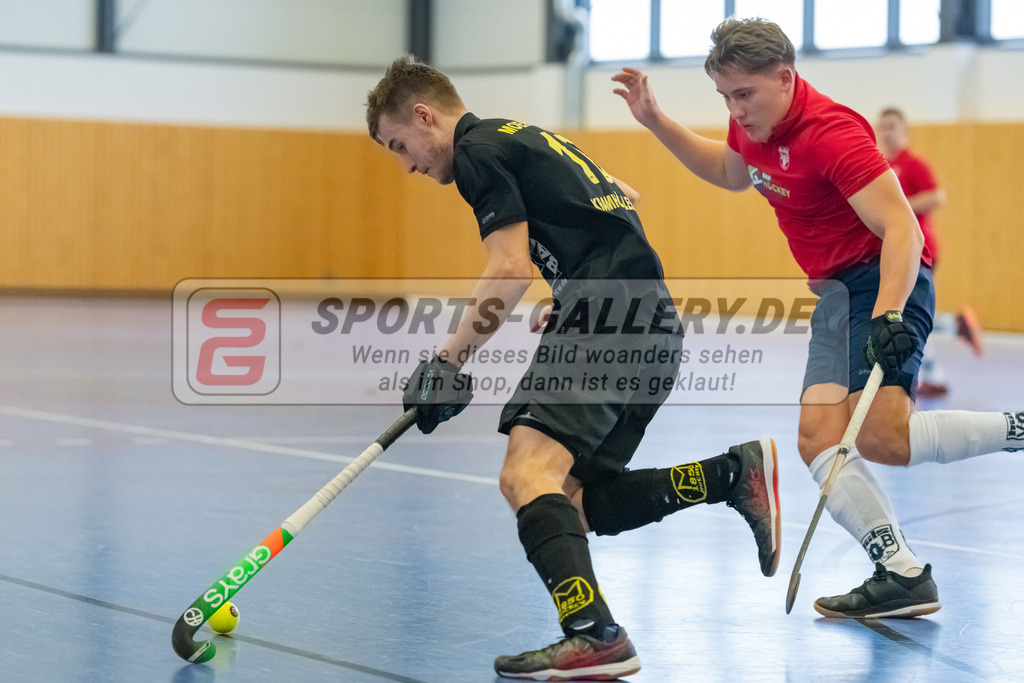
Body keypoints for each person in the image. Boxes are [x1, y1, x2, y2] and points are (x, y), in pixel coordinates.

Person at [366, 54, 781, 680]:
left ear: (425, 115)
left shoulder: (478, 152)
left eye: (401, 145)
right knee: (574, 502)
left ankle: (594, 635)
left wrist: (446, 361)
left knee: (525, 474)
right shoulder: (528, 137)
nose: (408, 166)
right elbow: (625, 198)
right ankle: (730, 474)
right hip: (653, 331)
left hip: (607, 323)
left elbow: (508, 268)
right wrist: (573, 293)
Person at [613, 17, 1024, 619]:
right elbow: (730, 172)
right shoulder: (751, 123)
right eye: (725, 97)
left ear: (785, 77)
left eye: (745, 94)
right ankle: (901, 573)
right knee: (818, 441)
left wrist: (888, 315)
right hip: (834, 295)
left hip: (880, 280)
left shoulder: (831, 133)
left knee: (884, 436)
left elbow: (903, 230)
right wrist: (655, 121)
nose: (736, 109)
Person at [875, 107, 983, 399]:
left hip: (920, 250)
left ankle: (933, 371)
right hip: (896, 251)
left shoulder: (913, 164)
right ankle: (955, 327)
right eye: (882, 127)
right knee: (909, 313)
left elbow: (937, 196)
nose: (886, 132)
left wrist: (902, 205)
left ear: (904, 130)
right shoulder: (881, 164)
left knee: (911, 313)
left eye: (892, 127)